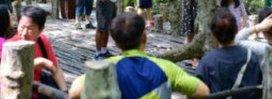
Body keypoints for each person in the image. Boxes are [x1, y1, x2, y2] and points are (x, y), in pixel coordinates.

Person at [69, 13, 210, 99]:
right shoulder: (166, 67)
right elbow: (203, 91)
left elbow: (74, 92)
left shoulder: (106, 68)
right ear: (145, 38)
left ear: (116, 43)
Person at [196, 9, 261, 99]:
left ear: (213, 34)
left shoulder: (207, 61)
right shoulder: (251, 56)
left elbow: (197, 91)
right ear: (237, 30)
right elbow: (259, 89)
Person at [9, 6, 67, 95]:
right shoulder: (10, 46)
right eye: (22, 27)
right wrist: (39, 62)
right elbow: (11, 73)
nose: (24, 33)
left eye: (30, 29)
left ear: (40, 30)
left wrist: (65, 92)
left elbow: (56, 69)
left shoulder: (42, 41)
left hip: (39, 91)